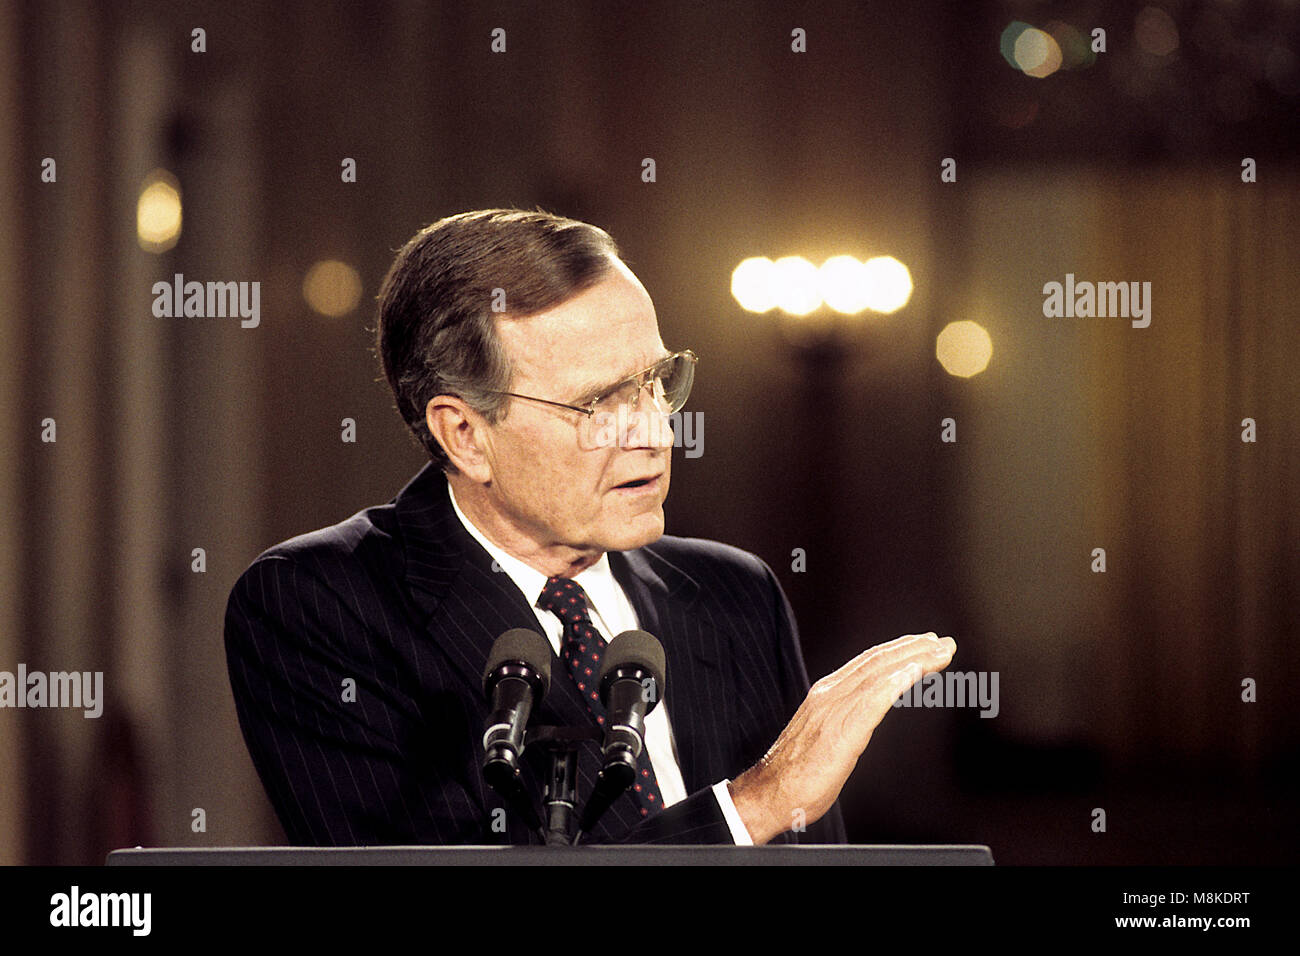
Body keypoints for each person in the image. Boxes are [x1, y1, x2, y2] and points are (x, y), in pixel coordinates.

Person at [223, 208, 956, 846]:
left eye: (656, 383)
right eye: (600, 402)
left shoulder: (735, 594)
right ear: (466, 435)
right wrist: (751, 806)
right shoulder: (317, 605)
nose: (653, 431)